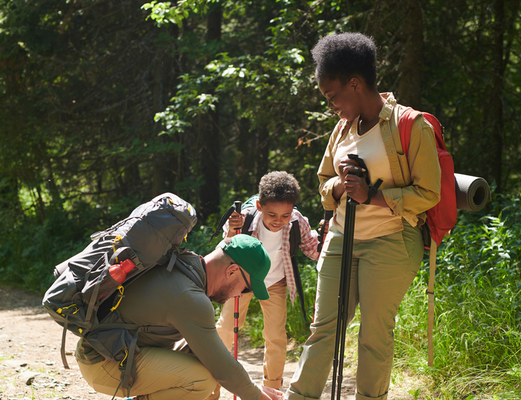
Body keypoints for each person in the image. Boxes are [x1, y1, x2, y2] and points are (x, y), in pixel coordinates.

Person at [285, 32, 441, 400]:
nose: (330, 106)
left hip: (391, 242)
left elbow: (429, 193)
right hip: (341, 237)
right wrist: (340, 188)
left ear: (354, 83)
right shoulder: (342, 129)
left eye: (332, 96)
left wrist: (373, 196)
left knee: (373, 335)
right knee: (324, 328)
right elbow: (324, 183)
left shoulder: (411, 125)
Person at [75, 234, 284, 400]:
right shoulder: (189, 297)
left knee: (202, 362)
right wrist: (258, 397)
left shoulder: (185, 265)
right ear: (232, 271)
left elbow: (213, 357)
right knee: (200, 380)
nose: (240, 295)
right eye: (246, 288)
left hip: (106, 350)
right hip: (101, 363)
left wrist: (253, 390)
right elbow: (223, 368)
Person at [210, 171, 320, 398]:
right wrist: (232, 229)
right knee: (226, 327)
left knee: (276, 336)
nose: (278, 220)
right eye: (272, 214)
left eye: (285, 215)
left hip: (275, 282)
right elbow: (227, 245)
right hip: (243, 279)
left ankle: (271, 390)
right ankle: (211, 383)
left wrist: (328, 240)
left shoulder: (298, 222)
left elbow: (313, 249)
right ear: (260, 206)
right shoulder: (246, 217)